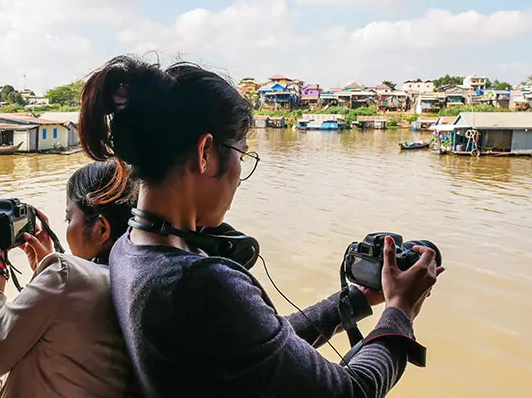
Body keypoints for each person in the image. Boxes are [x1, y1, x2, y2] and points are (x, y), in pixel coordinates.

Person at [77, 55, 446, 398]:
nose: (239, 175)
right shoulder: (200, 282)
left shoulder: (129, 248)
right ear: (205, 153)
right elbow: (351, 391)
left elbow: (260, 345)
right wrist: (401, 309)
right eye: (241, 154)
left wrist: (358, 299)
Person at [0, 160, 135, 398]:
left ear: (101, 229)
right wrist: (45, 270)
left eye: (69, 219)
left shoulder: (65, 276)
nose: (67, 228)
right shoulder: (132, 277)